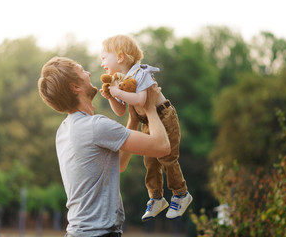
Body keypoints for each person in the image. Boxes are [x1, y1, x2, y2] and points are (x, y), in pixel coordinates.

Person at [38, 56, 171, 237]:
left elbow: (119, 165)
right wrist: (149, 106)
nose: (89, 73)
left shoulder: (64, 130)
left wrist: (132, 119)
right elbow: (162, 146)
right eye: (82, 70)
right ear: (75, 87)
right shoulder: (96, 126)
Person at [100, 35, 192, 221]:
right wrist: (111, 97)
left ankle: (181, 194)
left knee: (167, 158)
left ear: (120, 57)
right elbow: (120, 111)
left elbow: (141, 100)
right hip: (147, 121)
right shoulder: (119, 81)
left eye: (104, 58)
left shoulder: (141, 73)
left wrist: (117, 92)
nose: (102, 63)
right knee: (149, 161)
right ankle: (156, 197)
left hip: (164, 116)